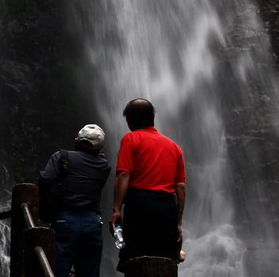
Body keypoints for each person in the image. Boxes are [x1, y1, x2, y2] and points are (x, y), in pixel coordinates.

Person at [109, 99, 186, 273]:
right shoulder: (174, 147)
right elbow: (180, 187)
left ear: (129, 121)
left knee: (136, 257)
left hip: (140, 205)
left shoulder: (131, 139)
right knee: (166, 258)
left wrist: (116, 209)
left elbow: (123, 175)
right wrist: (178, 222)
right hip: (167, 207)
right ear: (152, 118)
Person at [39, 124, 111, 277]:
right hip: (92, 222)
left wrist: (56, 196)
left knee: (57, 270)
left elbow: (45, 180)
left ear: (76, 141)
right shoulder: (104, 166)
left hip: (65, 219)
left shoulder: (62, 157)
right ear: (100, 148)